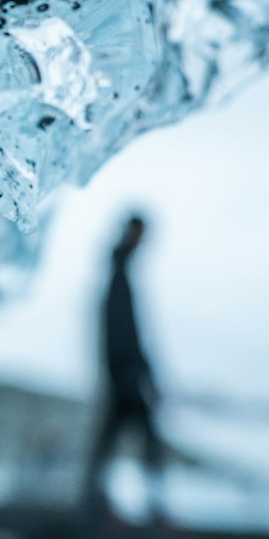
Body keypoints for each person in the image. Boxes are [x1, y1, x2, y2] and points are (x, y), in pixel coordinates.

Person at [84, 214, 164, 519]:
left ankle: (96, 501)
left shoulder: (120, 269)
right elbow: (123, 331)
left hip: (123, 371)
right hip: (124, 373)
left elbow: (127, 329)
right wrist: (135, 372)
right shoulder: (119, 271)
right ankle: (148, 505)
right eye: (141, 233)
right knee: (141, 438)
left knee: (114, 438)